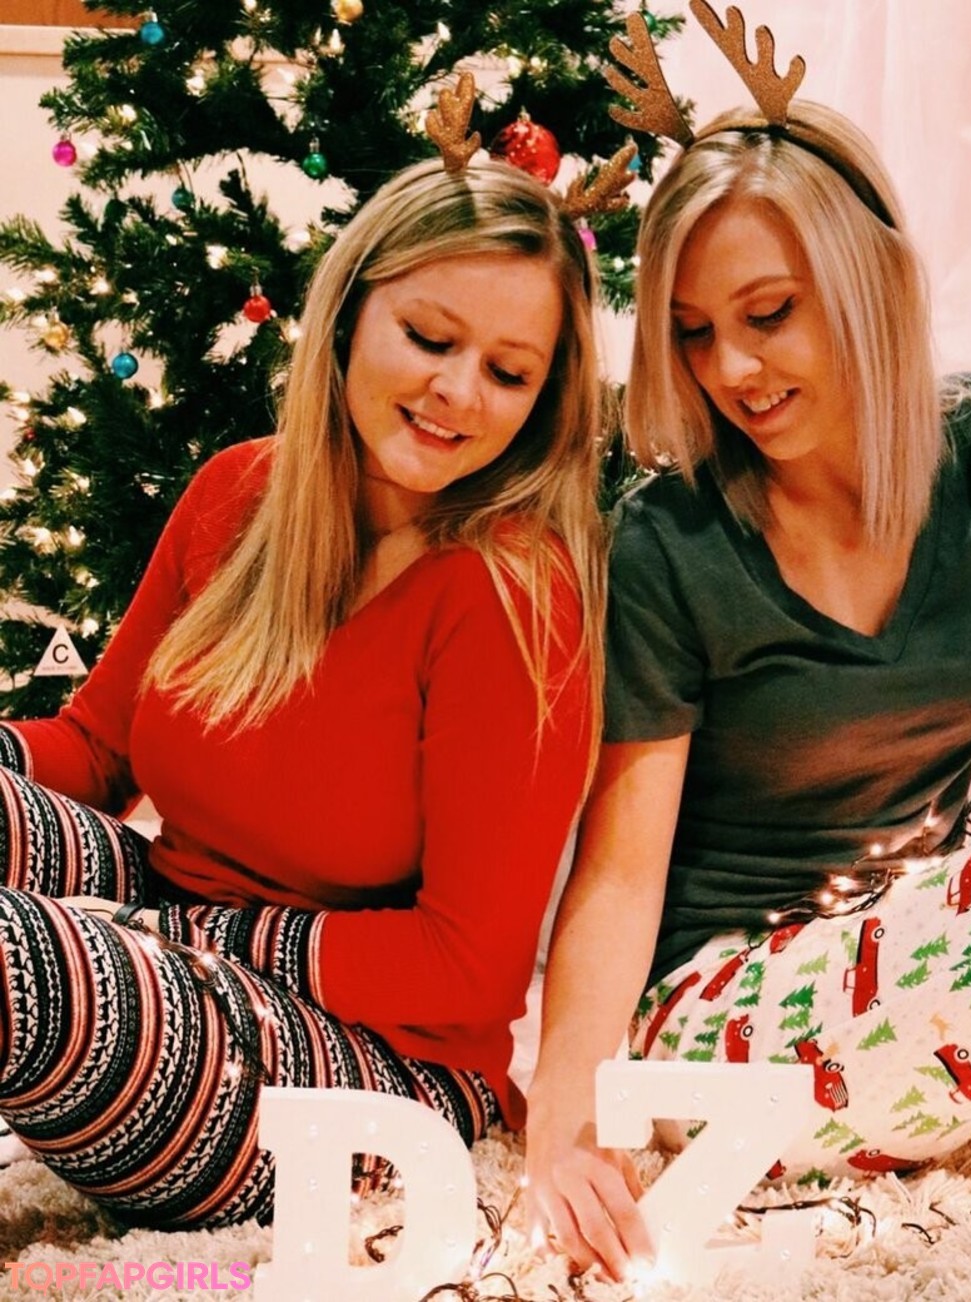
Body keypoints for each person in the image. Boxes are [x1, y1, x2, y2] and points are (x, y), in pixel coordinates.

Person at [525, 9, 971, 1281]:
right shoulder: (670, 543)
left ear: (868, 281)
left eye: (769, 313)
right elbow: (618, 876)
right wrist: (567, 1118)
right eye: (694, 331)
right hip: (724, 1015)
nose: (733, 368)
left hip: (934, 943)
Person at [0, 89, 616, 1229]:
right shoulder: (240, 491)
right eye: (430, 338)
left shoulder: (512, 596)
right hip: (172, 927)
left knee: (14, 961)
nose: (457, 393)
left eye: (508, 372)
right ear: (349, 313)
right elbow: (96, 749)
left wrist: (199, 940)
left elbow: (470, 967)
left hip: (384, 1070)